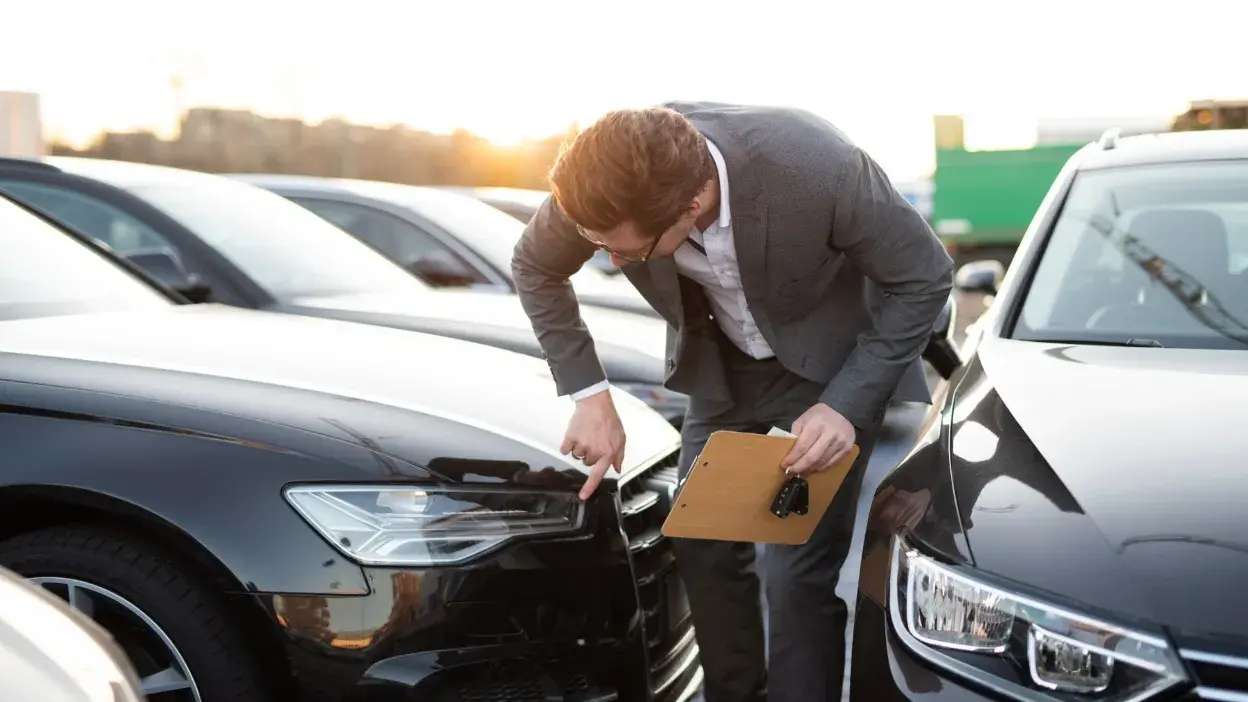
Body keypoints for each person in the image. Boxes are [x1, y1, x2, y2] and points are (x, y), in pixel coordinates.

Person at [511, 102, 953, 702]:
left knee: (795, 571)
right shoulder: (607, 186)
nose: (611, 261)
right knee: (700, 537)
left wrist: (846, 406)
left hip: (829, 376)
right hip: (722, 372)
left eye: (627, 253)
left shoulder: (818, 167)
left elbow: (924, 274)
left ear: (691, 206)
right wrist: (590, 395)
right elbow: (535, 265)